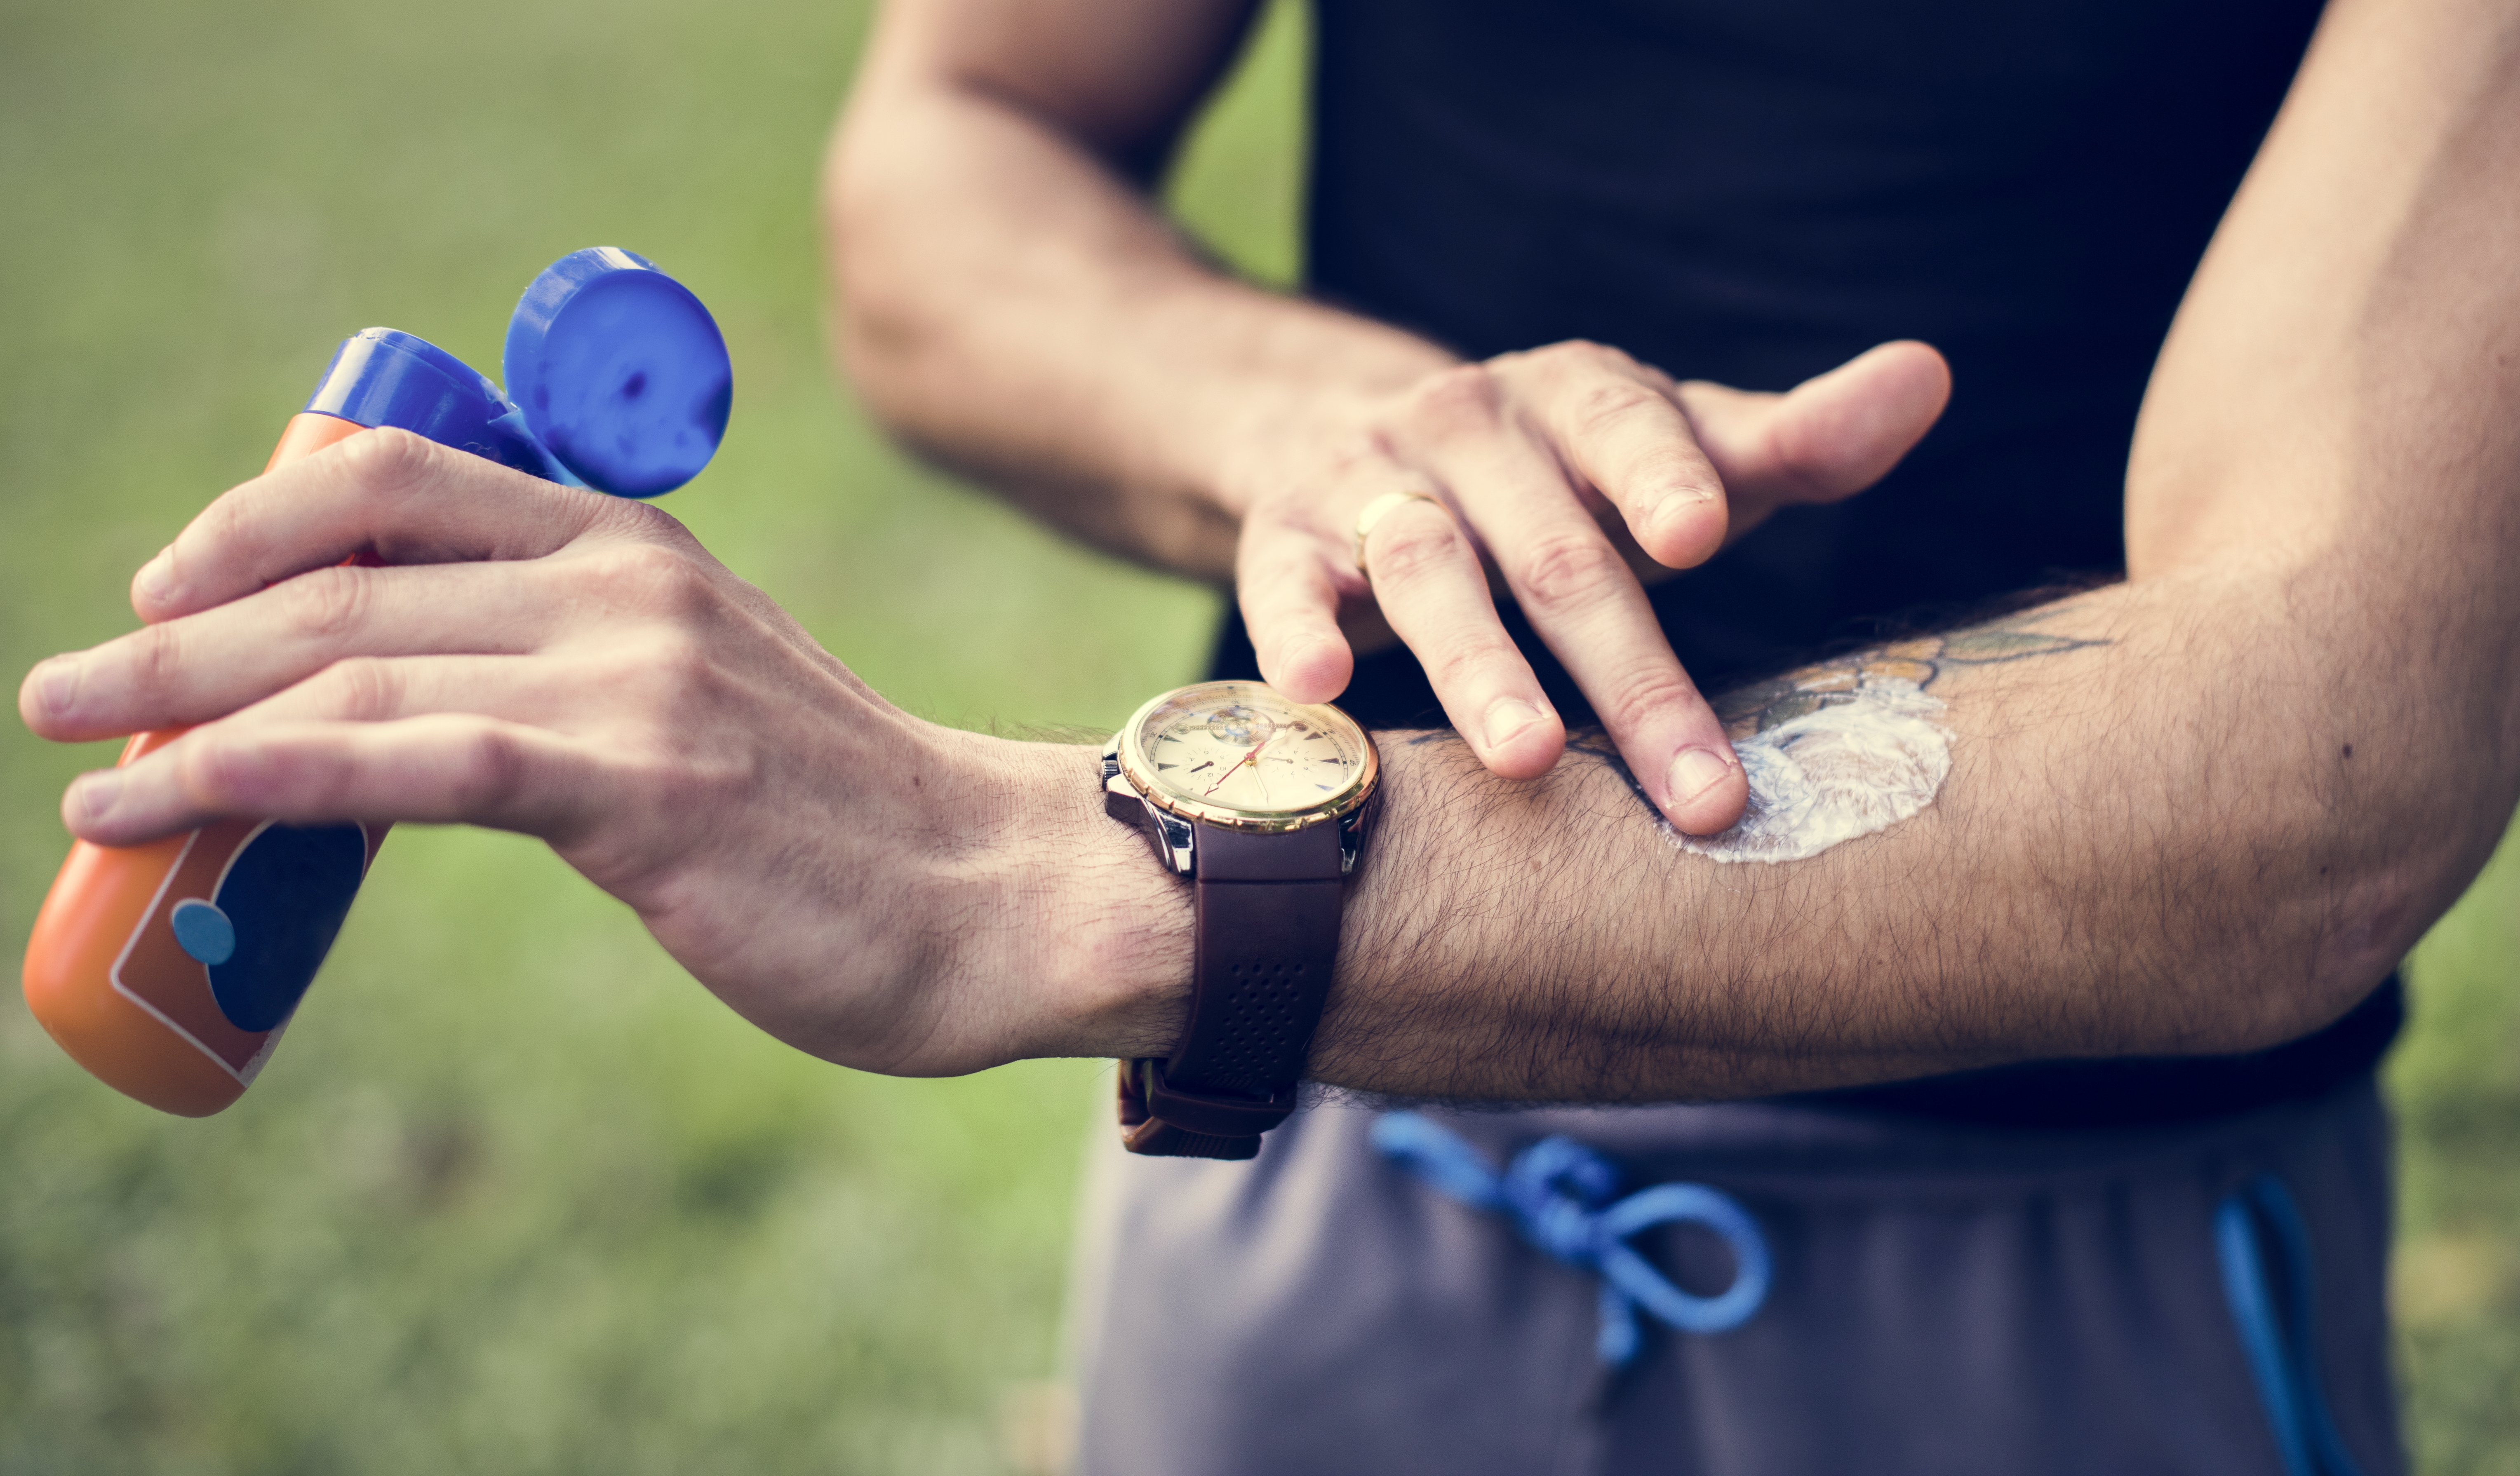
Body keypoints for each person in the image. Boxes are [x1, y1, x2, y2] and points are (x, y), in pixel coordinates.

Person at [13, 0, 2517, 1468]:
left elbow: (2321, 742)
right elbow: (961, 141)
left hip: (2053, 1292)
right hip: (1302, 1193)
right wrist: (1318, 410)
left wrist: (1048, 876)